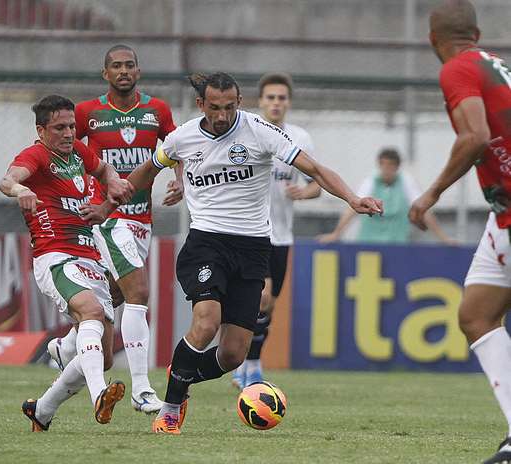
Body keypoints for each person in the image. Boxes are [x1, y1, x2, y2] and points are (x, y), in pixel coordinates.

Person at [81, 72, 383, 434]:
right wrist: (107, 206)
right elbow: (147, 170)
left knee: (232, 354)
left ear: (239, 102)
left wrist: (353, 198)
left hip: (254, 247)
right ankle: (170, 409)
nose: (222, 115)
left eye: (228, 107)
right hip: (206, 243)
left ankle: (184, 379)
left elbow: (314, 169)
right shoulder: (183, 137)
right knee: (206, 322)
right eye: (214, 108)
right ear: (200, 105)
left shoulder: (260, 131)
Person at [47, 44, 182, 414]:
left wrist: (180, 180)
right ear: (105, 74)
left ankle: (68, 345)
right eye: (116, 66)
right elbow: (61, 150)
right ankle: (141, 390)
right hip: (108, 218)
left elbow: (175, 149)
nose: (123, 71)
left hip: (141, 220)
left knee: (115, 297)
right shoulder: (87, 113)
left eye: (130, 65)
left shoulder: (157, 110)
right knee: (138, 291)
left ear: (138, 71)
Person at [408, 2, 511, 462]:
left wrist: (430, 195)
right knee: (475, 314)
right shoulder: (493, 64)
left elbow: (473, 136)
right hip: (503, 210)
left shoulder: (457, 69)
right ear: (477, 31)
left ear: (433, 40)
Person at [0, 95, 134, 431]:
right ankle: (98, 395)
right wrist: (19, 190)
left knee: (100, 357)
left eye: (72, 126)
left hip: (90, 257)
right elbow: (6, 180)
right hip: (55, 254)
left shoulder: (78, 154)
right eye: (60, 127)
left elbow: (104, 169)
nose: (69, 133)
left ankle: (42, 409)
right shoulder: (36, 155)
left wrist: (114, 181)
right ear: (41, 130)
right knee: (89, 313)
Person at [232, 72, 321, 389]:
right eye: (270, 97)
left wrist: (304, 192)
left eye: (282, 98)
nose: (276, 103)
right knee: (262, 296)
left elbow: (316, 186)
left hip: (282, 235)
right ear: (261, 101)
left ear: (288, 102)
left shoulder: (300, 138)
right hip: (251, 232)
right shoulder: (248, 133)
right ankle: (251, 367)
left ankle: (243, 361)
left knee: (267, 304)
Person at [318, 147, 455, 244]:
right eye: (383, 164)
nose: (386, 169)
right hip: (369, 243)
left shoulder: (406, 182)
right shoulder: (370, 181)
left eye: (390, 165)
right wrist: (337, 234)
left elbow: (422, 209)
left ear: (397, 167)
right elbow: (352, 209)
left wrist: (443, 238)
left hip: (397, 245)